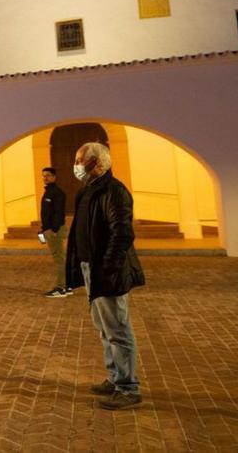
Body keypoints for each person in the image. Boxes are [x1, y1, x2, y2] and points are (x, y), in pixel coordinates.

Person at [64, 142, 146, 411]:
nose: (76, 165)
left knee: (118, 329)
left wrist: (108, 267)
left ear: (98, 164)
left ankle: (128, 387)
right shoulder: (88, 190)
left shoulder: (114, 191)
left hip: (106, 270)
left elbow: (122, 233)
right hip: (91, 268)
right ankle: (115, 377)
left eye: (80, 160)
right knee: (103, 327)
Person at [38, 166, 71, 298]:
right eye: (43, 175)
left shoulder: (57, 193)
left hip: (53, 230)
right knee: (61, 258)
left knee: (59, 259)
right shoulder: (48, 192)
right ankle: (67, 286)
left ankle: (61, 288)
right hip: (49, 229)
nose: (45, 178)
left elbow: (59, 213)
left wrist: (54, 229)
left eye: (48, 175)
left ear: (54, 177)